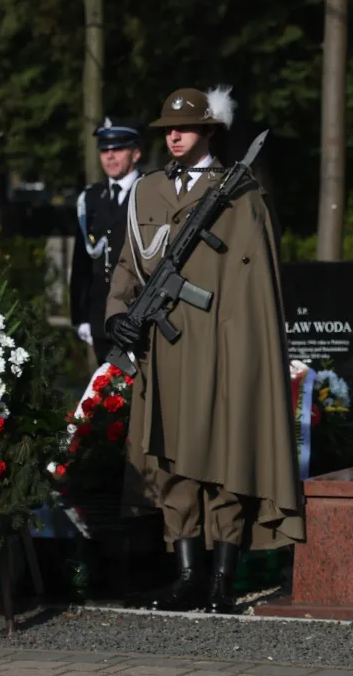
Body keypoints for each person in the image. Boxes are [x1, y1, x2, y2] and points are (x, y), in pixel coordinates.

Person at [104, 87, 303, 613]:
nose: (173, 135)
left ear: (209, 132)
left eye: (185, 128)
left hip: (221, 351)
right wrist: (117, 316)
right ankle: (187, 574)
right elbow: (128, 265)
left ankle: (221, 579)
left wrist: (245, 357)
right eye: (167, 128)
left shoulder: (240, 195)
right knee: (171, 464)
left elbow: (257, 286)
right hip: (161, 351)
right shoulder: (146, 192)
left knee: (224, 461)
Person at [70, 117, 143, 363]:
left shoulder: (148, 193)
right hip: (99, 313)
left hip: (138, 308)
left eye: (118, 149)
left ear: (136, 153)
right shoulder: (91, 198)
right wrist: (79, 315)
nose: (110, 157)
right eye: (104, 150)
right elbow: (81, 261)